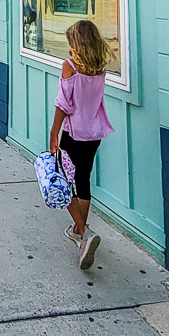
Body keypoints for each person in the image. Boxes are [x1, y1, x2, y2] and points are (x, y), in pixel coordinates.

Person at [49, 19, 114, 271]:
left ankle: (82, 233)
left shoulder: (70, 67)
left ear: (76, 44)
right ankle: (79, 233)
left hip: (73, 134)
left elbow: (63, 104)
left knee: (61, 181)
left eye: (70, 43)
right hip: (94, 133)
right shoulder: (98, 67)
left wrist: (54, 132)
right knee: (83, 179)